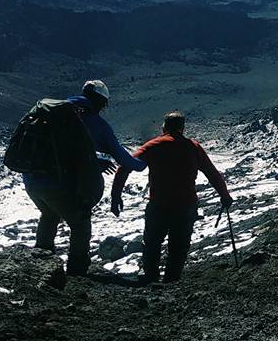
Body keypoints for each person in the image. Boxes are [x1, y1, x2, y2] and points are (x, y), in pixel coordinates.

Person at [22, 80, 146, 276]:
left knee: (50, 214)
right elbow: (124, 159)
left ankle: (41, 261)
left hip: (31, 181)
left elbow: (64, 152)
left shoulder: (53, 112)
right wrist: (144, 162)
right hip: (58, 185)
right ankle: (77, 272)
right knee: (80, 222)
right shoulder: (95, 123)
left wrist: (95, 160)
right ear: (102, 102)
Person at [110, 111, 234, 284]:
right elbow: (212, 173)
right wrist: (225, 196)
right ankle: (171, 281)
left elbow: (125, 167)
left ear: (164, 127)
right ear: (182, 128)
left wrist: (116, 195)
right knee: (178, 247)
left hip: (158, 205)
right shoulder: (193, 147)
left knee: (152, 244)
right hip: (185, 206)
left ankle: (150, 278)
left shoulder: (153, 145)